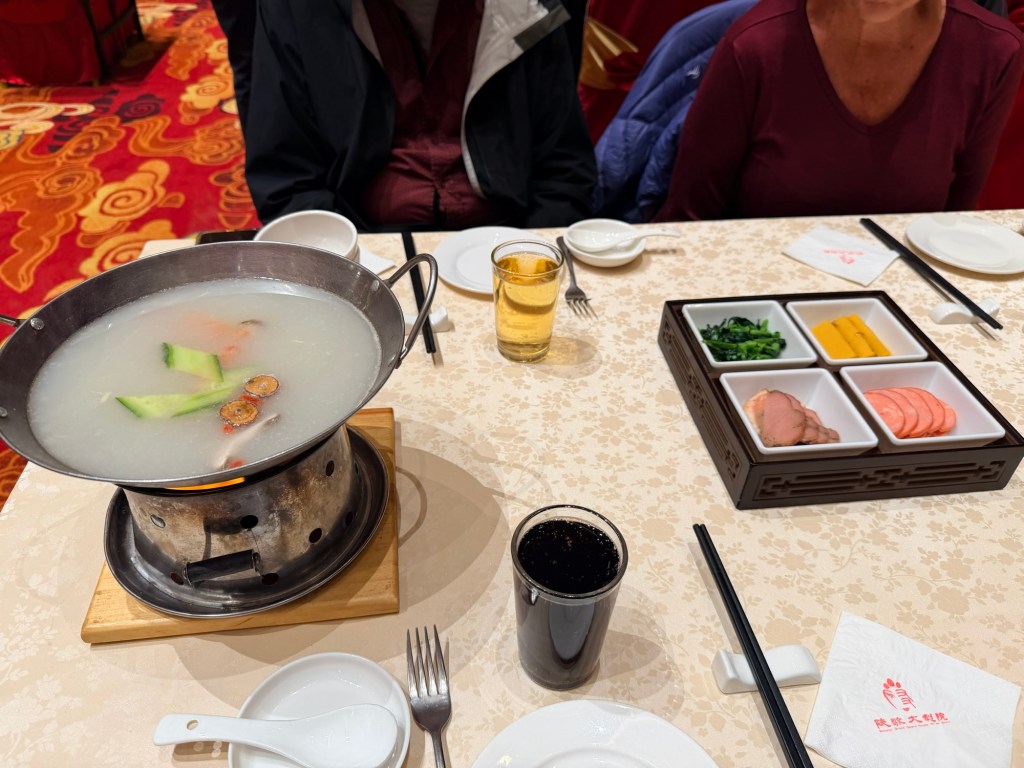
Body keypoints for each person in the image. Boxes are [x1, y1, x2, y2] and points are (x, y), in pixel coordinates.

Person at [654, 0, 1024, 222]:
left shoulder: (994, 53)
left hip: (901, 306)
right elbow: (690, 218)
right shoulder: (755, 46)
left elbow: (952, 225)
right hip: (761, 302)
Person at [244, 0, 596, 231]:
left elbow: (564, 168)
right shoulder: (297, 10)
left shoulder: (526, 7)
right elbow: (285, 181)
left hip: (507, 238)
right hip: (363, 240)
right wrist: (353, 267)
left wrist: (529, 258)